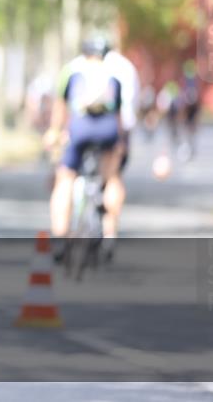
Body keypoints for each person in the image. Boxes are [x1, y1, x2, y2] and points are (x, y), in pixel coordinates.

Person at [44, 35, 123, 263]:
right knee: (112, 178)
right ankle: (109, 234)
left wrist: (55, 132)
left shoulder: (72, 72)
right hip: (107, 129)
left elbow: (61, 108)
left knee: (65, 178)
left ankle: (60, 236)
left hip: (80, 129)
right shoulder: (114, 77)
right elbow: (118, 117)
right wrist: (119, 143)